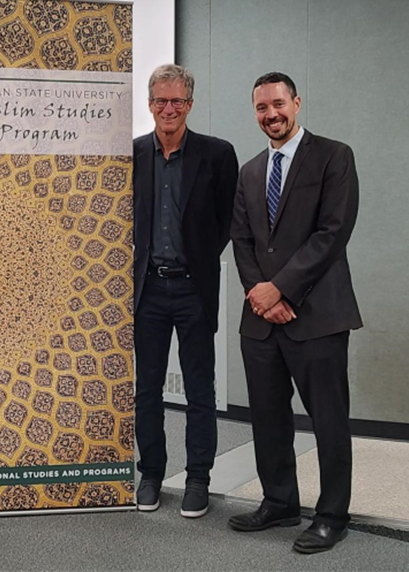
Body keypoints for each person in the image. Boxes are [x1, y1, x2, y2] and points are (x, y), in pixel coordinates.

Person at [228, 72, 362, 554]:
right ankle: (280, 501)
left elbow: (332, 233)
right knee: (268, 419)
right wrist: (261, 295)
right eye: (262, 108)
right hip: (260, 324)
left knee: (328, 420)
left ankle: (331, 516)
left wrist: (281, 289)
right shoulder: (249, 172)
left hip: (318, 316)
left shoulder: (333, 156)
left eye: (279, 104)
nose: (271, 115)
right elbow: (241, 242)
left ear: (297, 103)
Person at [133, 64, 239, 518]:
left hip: (194, 290)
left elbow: (227, 221)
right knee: (148, 390)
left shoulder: (217, 154)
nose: (168, 108)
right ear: (150, 104)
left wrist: (197, 259)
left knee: (200, 389)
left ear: (190, 105)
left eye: (177, 101)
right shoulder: (133, 154)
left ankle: (199, 478)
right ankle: (152, 473)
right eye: (160, 100)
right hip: (148, 291)